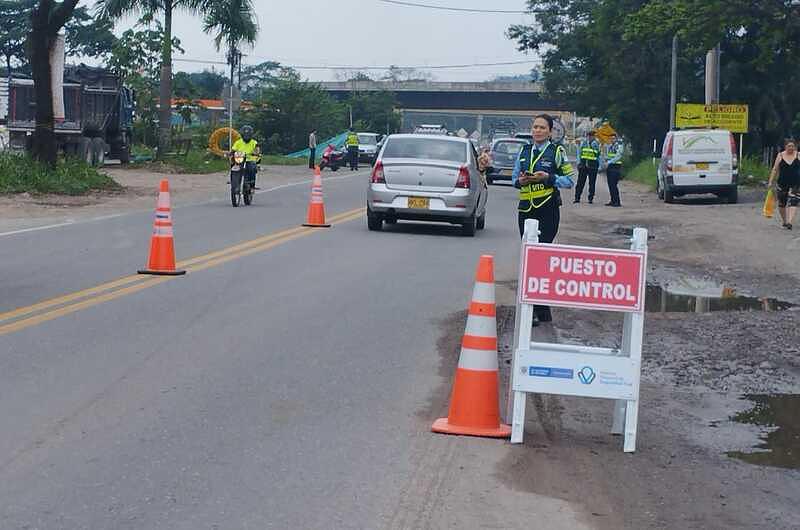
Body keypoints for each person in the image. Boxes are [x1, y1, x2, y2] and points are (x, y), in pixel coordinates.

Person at [512, 114, 575, 324]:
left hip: (547, 211)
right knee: (528, 257)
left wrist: (549, 178)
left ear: (550, 131)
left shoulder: (557, 152)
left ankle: (537, 310)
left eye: (541, 127)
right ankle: (539, 310)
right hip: (526, 211)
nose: (537, 130)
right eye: (535, 127)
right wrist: (521, 181)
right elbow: (514, 179)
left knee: (541, 259)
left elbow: (569, 181)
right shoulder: (524, 151)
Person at [768, 138, 800, 230]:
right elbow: (775, 169)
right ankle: (785, 221)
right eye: (789, 146)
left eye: (792, 146)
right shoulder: (780, 155)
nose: (791, 148)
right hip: (782, 182)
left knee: (794, 201)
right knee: (782, 203)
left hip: (796, 182)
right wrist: (770, 181)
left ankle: (789, 222)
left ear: (795, 147)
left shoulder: (798, 155)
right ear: (785, 146)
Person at [574, 131, 601, 203]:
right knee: (580, 182)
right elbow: (580, 153)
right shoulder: (584, 143)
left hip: (593, 166)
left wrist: (600, 166)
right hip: (583, 165)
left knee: (592, 183)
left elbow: (599, 155)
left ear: (594, 137)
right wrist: (579, 163)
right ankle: (577, 197)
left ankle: (590, 198)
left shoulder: (596, 144)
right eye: (589, 136)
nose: (590, 137)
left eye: (592, 136)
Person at [605, 133, 624, 207]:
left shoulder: (618, 146)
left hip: (616, 167)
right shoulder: (610, 146)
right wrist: (606, 160)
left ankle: (617, 201)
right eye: (611, 139)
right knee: (610, 185)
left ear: (616, 139)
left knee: (613, 185)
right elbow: (609, 155)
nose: (612, 140)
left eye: (613, 138)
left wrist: (609, 162)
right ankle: (613, 200)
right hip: (610, 167)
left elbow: (618, 156)